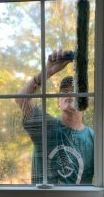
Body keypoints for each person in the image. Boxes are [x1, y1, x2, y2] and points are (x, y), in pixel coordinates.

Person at [15, 50, 94, 185]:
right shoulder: (46, 126)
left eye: (76, 91)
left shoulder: (94, 138)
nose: (70, 94)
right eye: (65, 91)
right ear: (58, 101)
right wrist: (48, 71)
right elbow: (21, 99)